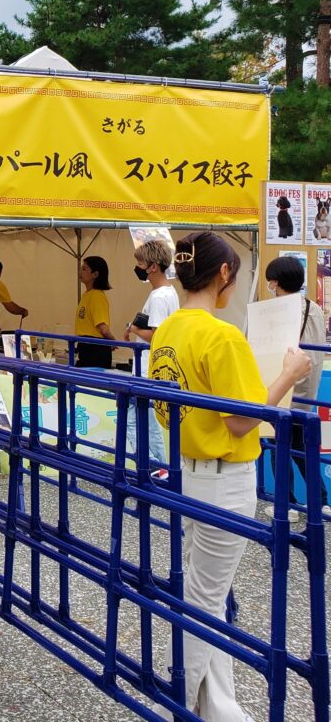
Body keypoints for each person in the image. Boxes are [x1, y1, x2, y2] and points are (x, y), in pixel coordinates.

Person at [149, 231, 311, 722]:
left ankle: (217, 705)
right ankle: (178, 702)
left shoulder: (168, 330)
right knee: (204, 601)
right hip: (226, 476)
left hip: (189, 471)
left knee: (205, 595)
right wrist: (290, 374)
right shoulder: (222, 335)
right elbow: (242, 420)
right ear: (224, 274)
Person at [263, 256, 329, 515]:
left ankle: (287, 505)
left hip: (286, 393)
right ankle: (321, 502)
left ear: (277, 282)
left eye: (270, 281)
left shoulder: (281, 312)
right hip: (309, 395)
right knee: (304, 454)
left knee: (277, 451)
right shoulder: (314, 307)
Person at [123, 241, 180, 468]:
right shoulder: (170, 293)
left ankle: (153, 465)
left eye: (140, 264)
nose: (137, 268)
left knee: (132, 421)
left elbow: (157, 336)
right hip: (156, 367)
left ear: (153, 267)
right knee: (147, 421)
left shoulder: (157, 297)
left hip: (147, 368)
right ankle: (159, 466)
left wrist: (134, 328)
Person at [75, 256, 115, 369]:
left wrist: (113, 342)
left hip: (96, 348)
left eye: (84, 269)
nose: (80, 272)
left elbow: (103, 328)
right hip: (85, 344)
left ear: (95, 274)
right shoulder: (86, 295)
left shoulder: (97, 296)